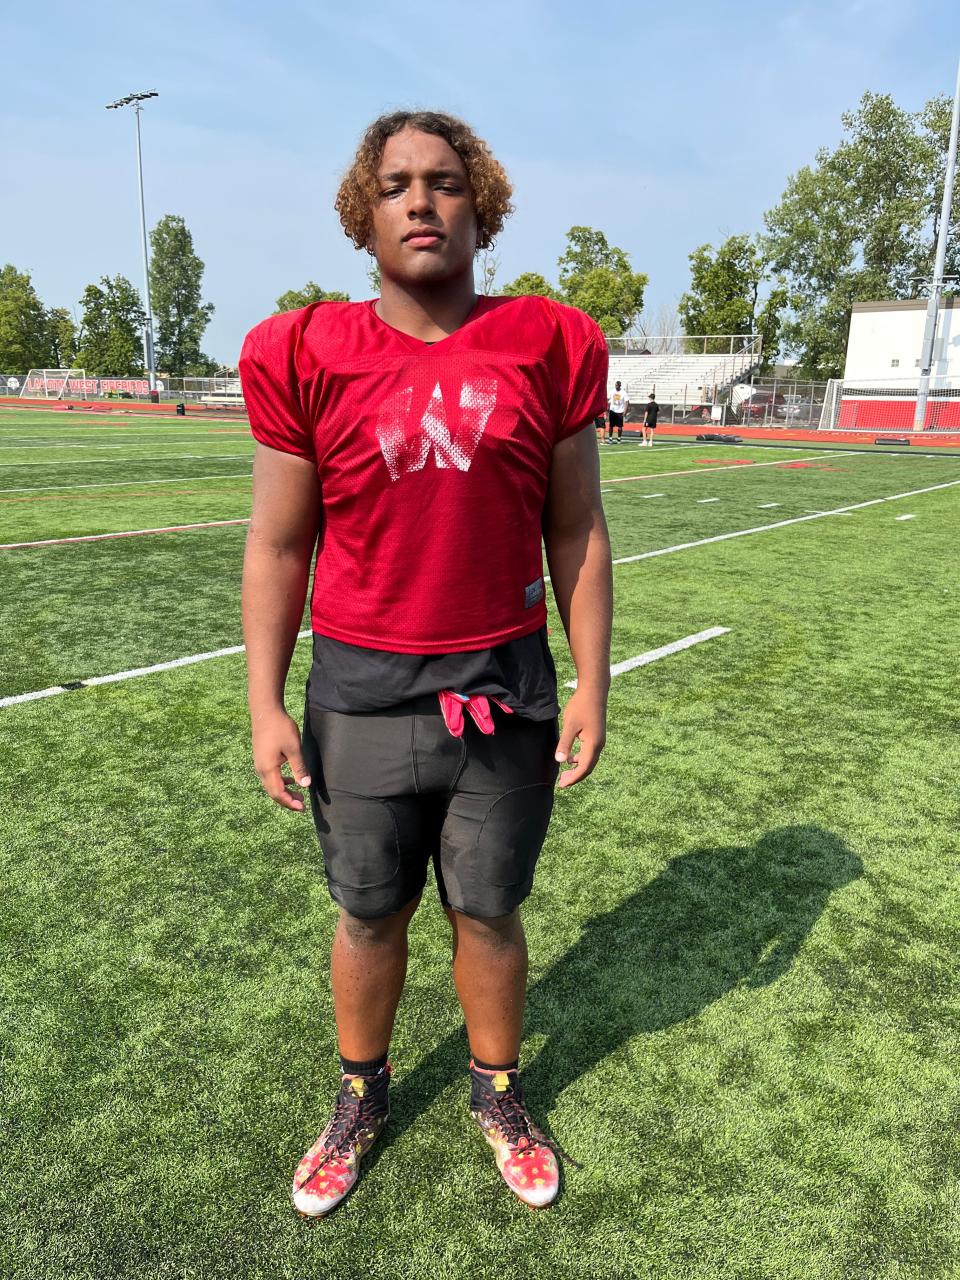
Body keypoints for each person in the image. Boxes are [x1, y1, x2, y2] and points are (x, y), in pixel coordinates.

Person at [239, 110, 613, 1219]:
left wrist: (594, 677)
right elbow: (279, 540)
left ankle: (497, 1089)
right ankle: (361, 1095)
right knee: (367, 912)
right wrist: (262, 696)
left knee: (489, 909)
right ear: (365, 210)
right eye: (396, 182)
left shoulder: (550, 342)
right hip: (360, 684)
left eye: (444, 182)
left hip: (504, 677)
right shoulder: (301, 349)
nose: (420, 200)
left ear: (478, 203)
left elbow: (578, 528)